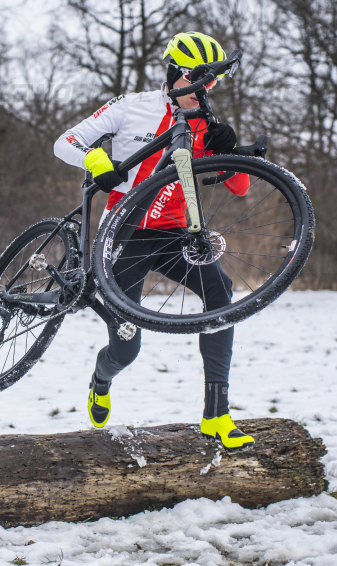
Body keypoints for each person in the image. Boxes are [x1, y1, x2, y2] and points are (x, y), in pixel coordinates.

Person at [53, 32, 254, 452]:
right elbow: (66, 142)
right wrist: (95, 159)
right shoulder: (131, 106)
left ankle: (216, 413)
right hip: (122, 234)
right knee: (127, 348)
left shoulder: (207, 125)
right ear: (173, 74)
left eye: (211, 81)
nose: (204, 89)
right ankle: (101, 378)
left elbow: (240, 188)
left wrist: (230, 148)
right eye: (195, 78)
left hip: (174, 234)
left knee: (221, 292)